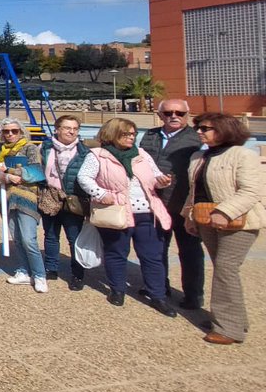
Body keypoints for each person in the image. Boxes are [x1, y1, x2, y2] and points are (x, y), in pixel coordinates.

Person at [77, 118, 176, 316]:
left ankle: (157, 295)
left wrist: (162, 181)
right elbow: (84, 177)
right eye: (127, 134)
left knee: (152, 256)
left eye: (133, 134)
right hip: (116, 211)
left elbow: (155, 176)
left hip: (147, 213)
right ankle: (118, 290)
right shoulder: (98, 155)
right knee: (116, 253)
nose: (132, 137)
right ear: (113, 134)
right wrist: (100, 194)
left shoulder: (141, 154)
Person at [183, 113, 264, 344]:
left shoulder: (243, 155)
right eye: (198, 128)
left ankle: (228, 329)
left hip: (239, 221)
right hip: (206, 219)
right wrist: (189, 217)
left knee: (225, 269)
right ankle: (235, 320)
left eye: (205, 128)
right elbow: (194, 191)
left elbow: (250, 191)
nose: (199, 132)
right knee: (223, 270)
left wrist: (225, 212)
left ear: (223, 130)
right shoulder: (198, 156)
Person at [139, 99, 204, 308]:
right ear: (160, 115)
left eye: (179, 113)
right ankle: (159, 286)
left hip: (183, 204)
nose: (174, 116)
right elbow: (140, 162)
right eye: (168, 113)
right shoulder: (150, 135)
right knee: (156, 249)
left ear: (187, 115)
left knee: (189, 252)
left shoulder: (196, 138)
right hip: (155, 203)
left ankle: (193, 296)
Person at [0, 118, 47, 292]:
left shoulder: (30, 148)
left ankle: (39, 275)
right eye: (6, 131)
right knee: (17, 238)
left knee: (29, 239)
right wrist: (7, 177)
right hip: (8, 199)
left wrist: (10, 171)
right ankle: (23, 271)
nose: (10, 134)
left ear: (21, 132)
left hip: (27, 198)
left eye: (14, 131)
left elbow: (36, 172)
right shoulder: (2, 151)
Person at [39, 114, 91, 291]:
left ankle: (77, 274)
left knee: (74, 238)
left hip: (73, 198)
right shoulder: (45, 147)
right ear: (57, 129)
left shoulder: (84, 151)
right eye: (68, 128)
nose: (72, 132)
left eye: (75, 129)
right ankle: (51, 268)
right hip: (50, 197)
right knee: (50, 235)